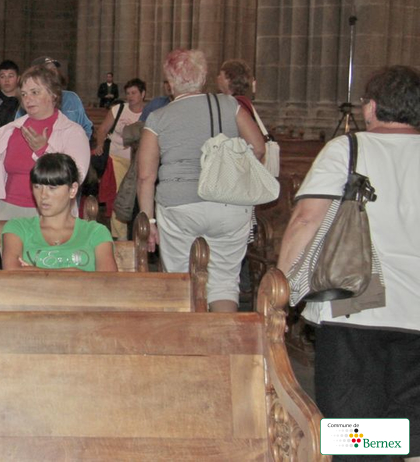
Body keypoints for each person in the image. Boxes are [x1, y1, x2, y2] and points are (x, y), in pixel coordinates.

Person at [277, 65, 420, 457]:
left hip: (356, 308)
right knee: (411, 430)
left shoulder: (349, 149)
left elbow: (306, 219)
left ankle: (374, 452)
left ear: (371, 107)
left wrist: (280, 290)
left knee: (355, 432)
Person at [136, 49, 265, 312]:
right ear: (204, 78)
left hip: (179, 206)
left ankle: (189, 335)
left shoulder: (158, 117)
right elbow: (259, 148)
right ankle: (222, 337)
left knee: (180, 280)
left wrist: (149, 220)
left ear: (170, 83)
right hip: (229, 203)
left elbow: (145, 176)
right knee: (224, 282)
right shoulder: (229, 105)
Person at [0, 64, 91, 221]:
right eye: (24, 94)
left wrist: (43, 150)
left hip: (52, 215)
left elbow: (76, 176)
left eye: (35, 92)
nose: (28, 99)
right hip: (8, 210)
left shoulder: (73, 132)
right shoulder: (9, 131)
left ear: (53, 94)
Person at [1, 153, 117, 271]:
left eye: (52, 188)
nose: (43, 195)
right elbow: (12, 273)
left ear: (72, 190)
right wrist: (73, 273)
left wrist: (33, 271)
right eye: (37, 186)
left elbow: (108, 279)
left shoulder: (96, 232)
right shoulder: (18, 228)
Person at [91, 78, 147, 239]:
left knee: (138, 197)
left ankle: (139, 233)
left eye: (134, 93)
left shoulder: (149, 112)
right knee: (119, 195)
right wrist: (100, 144)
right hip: (117, 159)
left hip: (140, 161)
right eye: (128, 93)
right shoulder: (118, 109)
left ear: (143, 94)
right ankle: (120, 235)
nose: (130, 96)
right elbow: (102, 129)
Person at [15, 56, 94, 139]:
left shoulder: (71, 98)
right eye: (47, 69)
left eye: (54, 68)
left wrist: (78, 143)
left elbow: (86, 127)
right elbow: (18, 131)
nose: (53, 72)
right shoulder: (28, 103)